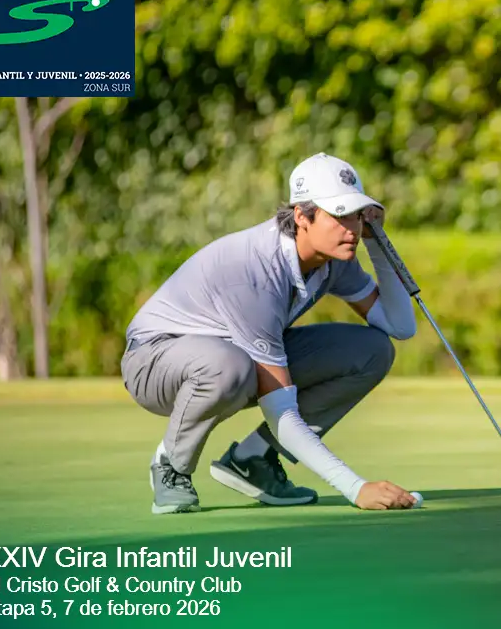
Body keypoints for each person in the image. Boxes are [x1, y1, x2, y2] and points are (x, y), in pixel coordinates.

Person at [121, 153, 420, 514]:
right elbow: (281, 411)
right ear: (301, 216)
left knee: (373, 350)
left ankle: (255, 459)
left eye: (357, 215)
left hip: (231, 357)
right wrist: (355, 488)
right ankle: (171, 464)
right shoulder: (256, 271)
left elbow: (400, 326)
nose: (352, 228)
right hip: (152, 361)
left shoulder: (335, 259)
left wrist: (378, 242)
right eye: (339, 215)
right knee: (229, 367)